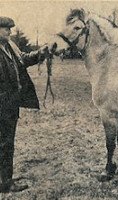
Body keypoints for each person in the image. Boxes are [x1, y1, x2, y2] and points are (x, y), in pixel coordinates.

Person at [0, 16, 48, 193]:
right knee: (5, 143)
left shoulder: (9, 46)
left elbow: (24, 59)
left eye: (10, 29)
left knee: (6, 142)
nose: (10, 32)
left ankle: (5, 177)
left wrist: (40, 53)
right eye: (6, 28)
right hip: (3, 105)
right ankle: (5, 183)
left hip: (10, 104)